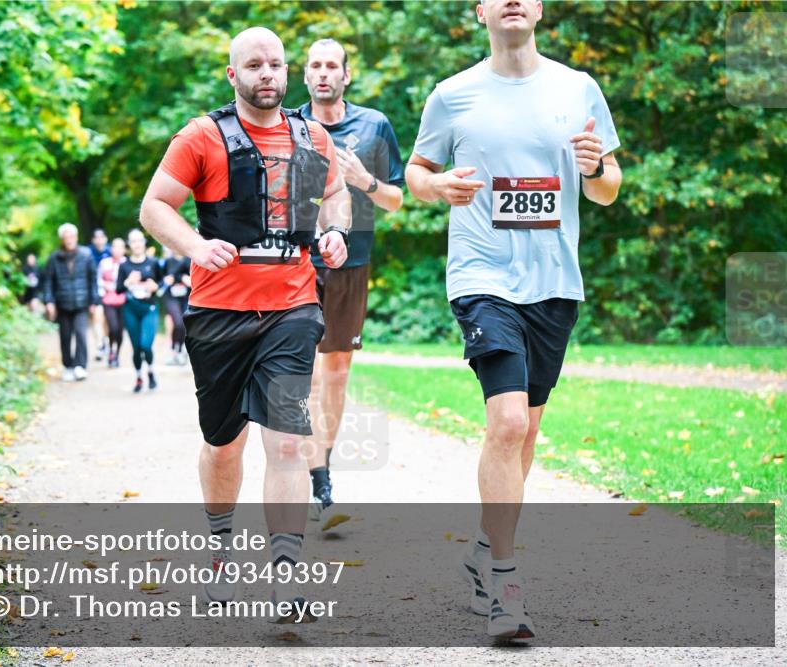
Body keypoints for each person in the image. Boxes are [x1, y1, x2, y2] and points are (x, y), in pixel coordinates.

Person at [406, 0, 622, 643]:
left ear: (540, 9)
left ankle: (482, 546)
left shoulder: (577, 88)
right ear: (479, 12)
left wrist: (595, 169)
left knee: (524, 430)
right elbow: (416, 173)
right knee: (504, 422)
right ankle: (505, 583)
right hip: (482, 279)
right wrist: (437, 185)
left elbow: (608, 187)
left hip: (554, 283)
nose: (512, 1)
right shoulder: (454, 95)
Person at [139, 27, 350, 618]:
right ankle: (219, 550)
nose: (267, 74)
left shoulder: (312, 137)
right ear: (233, 75)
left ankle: (286, 576)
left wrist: (332, 233)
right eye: (253, 65)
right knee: (224, 444)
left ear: (287, 74)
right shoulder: (202, 136)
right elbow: (156, 205)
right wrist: (194, 246)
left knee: (286, 442)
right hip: (217, 313)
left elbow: (335, 197)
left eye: (276, 65)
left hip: (292, 306)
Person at [299, 38, 405, 524]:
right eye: (315, 66)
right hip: (296, 260)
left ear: (346, 75)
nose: (324, 73)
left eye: (332, 66)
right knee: (306, 371)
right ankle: (311, 475)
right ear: (305, 76)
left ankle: (322, 470)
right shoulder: (287, 124)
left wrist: (365, 180)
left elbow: (396, 201)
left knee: (337, 371)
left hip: (352, 260)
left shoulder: (374, 125)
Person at [42, 223, 101, 382]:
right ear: (62, 239)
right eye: (65, 237)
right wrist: (49, 301)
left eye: (71, 236)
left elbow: (93, 279)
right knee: (65, 336)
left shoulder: (86, 254)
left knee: (81, 334)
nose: (69, 240)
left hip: (82, 303)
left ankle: (80, 366)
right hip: (62, 303)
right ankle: (68, 366)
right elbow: (48, 281)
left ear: (76, 237)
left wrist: (94, 301)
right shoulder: (54, 257)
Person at [115, 229, 163, 392]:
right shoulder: (124, 265)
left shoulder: (153, 262)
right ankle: (138, 377)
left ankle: (150, 371)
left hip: (149, 308)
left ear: (144, 242)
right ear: (129, 244)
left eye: (139, 240)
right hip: (131, 309)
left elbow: (162, 284)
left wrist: (155, 286)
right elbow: (118, 289)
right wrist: (128, 282)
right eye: (133, 241)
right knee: (136, 347)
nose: (137, 244)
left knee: (146, 345)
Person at [97, 237, 128, 368]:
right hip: (108, 299)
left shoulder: (127, 263)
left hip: (123, 300)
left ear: (124, 249)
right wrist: (104, 288)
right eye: (115, 247)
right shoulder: (104, 263)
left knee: (120, 331)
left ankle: (116, 355)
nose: (118, 250)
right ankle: (110, 349)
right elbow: (98, 279)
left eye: (121, 247)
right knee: (113, 327)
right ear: (111, 249)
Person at [161, 249, 192, 365]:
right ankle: (175, 349)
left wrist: (188, 280)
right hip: (171, 297)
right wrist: (166, 280)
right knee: (178, 323)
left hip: (186, 296)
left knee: (185, 323)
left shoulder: (190, 260)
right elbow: (161, 277)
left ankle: (179, 350)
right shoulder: (168, 261)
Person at [89, 228, 112, 362]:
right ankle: (99, 345)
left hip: (109, 291)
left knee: (107, 320)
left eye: (101, 237)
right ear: (93, 240)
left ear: (105, 239)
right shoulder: (88, 253)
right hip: (95, 290)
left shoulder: (111, 252)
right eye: (96, 238)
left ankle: (106, 343)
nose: (99, 240)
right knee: (97, 318)